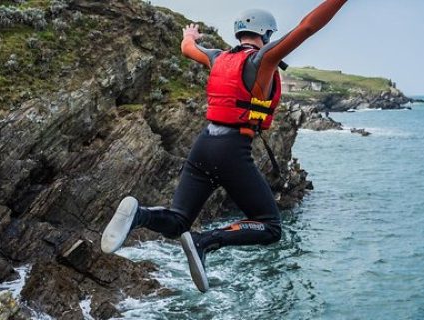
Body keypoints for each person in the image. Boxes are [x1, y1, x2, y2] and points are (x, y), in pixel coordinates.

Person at [101, 0, 349, 292]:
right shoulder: (263, 60)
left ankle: (140, 215)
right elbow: (307, 27)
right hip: (231, 150)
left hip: (204, 145)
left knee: (179, 221)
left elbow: (187, 49)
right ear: (265, 33)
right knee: (270, 227)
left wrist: (189, 36)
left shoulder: (218, 57)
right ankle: (205, 241)